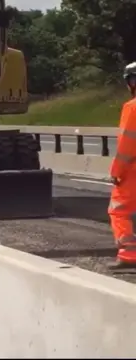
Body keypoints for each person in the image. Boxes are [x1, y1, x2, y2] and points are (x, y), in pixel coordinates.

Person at [108, 61, 136, 269]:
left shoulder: (132, 107)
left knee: (119, 210)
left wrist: (117, 171)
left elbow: (127, 145)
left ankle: (128, 255)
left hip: (133, 171)